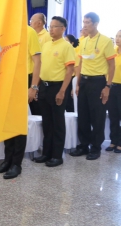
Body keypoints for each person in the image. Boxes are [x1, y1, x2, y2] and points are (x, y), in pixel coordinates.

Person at [0, 25, 41, 179]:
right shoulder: (5, 31)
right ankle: (7, 160)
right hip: (5, 81)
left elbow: (37, 61)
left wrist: (33, 87)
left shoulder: (29, 32)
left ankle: (16, 164)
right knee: (7, 123)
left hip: (22, 80)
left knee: (18, 124)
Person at [71, 12, 116, 160]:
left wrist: (107, 86)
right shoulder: (82, 41)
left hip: (98, 82)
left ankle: (96, 147)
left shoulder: (105, 41)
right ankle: (83, 145)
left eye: (88, 22)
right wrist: (77, 84)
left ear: (96, 24)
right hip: (84, 81)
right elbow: (81, 63)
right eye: (84, 22)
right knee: (83, 115)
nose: (85, 25)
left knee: (97, 116)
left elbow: (111, 65)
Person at [34, 17, 75, 167]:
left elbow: (69, 70)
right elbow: (41, 68)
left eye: (55, 27)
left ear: (63, 28)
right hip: (44, 87)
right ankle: (46, 153)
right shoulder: (46, 45)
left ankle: (57, 156)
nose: (51, 29)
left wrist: (62, 91)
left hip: (58, 87)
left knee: (57, 122)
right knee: (47, 122)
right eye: (50, 26)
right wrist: (36, 87)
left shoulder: (66, 46)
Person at [64, 34, 80, 112]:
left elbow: (77, 71)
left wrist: (75, 86)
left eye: (66, 41)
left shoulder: (75, 54)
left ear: (72, 43)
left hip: (71, 80)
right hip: (63, 78)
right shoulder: (63, 53)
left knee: (70, 104)